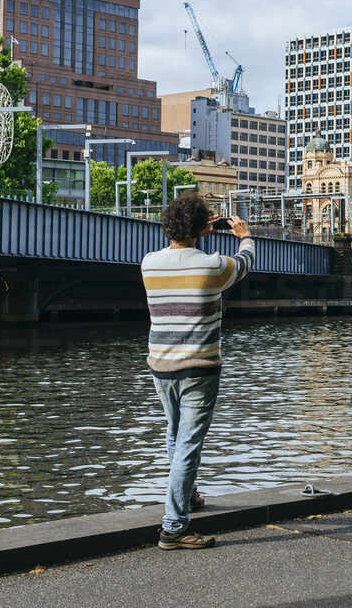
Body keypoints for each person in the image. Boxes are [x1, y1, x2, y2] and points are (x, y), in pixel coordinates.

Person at [141, 193, 254, 550]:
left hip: (161, 365)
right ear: (203, 228)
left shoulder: (149, 263)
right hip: (199, 368)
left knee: (174, 434)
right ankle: (174, 527)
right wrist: (245, 235)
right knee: (189, 444)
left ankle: (187, 498)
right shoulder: (212, 266)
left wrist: (201, 227)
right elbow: (244, 263)